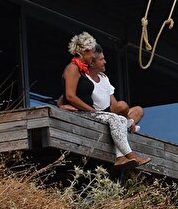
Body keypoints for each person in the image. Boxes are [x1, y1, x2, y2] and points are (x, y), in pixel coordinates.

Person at [60, 32, 149, 167]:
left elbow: (66, 95)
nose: (92, 57)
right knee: (115, 118)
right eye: (92, 53)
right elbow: (69, 95)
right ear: (85, 51)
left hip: (88, 112)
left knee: (120, 118)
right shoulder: (72, 68)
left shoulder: (80, 70)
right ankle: (131, 155)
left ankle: (120, 157)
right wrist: (89, 110)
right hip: (86, 113)